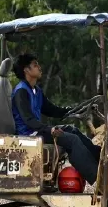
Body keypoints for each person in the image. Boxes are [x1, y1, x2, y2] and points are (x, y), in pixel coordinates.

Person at [10, 53, 102, 184]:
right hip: (29, 134)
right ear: (26, 70)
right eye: (35, 65)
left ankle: (102, 161)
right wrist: (49, 129)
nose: (39, 67)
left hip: (37, 131)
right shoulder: (21, 92)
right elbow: (28, 120)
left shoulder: (36, 90)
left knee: (73, 130)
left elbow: (52, 109)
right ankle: (98, 180)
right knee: (72, 140)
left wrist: (74, 109)